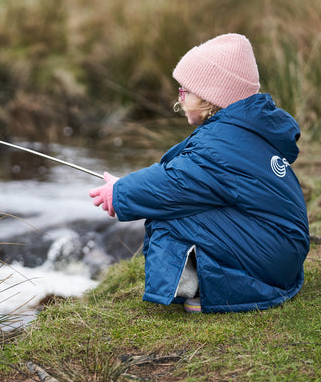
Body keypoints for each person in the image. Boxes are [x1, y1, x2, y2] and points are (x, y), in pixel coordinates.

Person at [89, 33, 310, 313]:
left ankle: (198, 285)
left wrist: (120, 192)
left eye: (185, 90)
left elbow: (174, 184)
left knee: (167, 212)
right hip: (282, 252)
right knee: (180, 203)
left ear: (210, 97)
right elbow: (183, 173)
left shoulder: (221, 144)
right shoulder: (239, 134)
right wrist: (126, 185)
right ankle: (207, 275)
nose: (180, 97)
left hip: (274, 258)